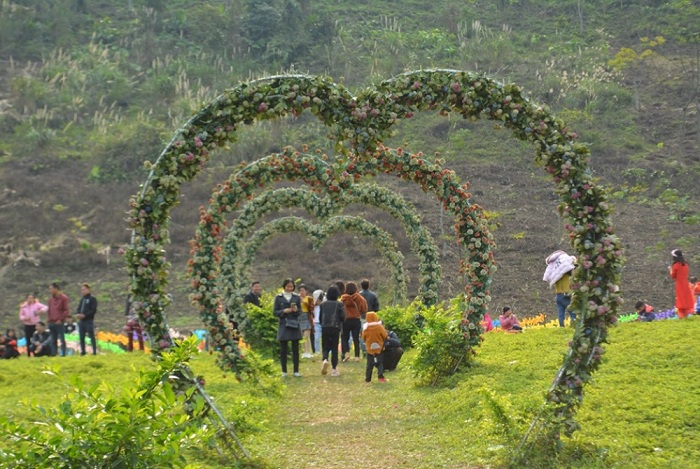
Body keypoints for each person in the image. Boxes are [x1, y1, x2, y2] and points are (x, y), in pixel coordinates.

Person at [273, 278, 303, 377]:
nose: (290, 288)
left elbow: (300, 312)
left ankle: (296, 371)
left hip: (294, 324)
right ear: (284, 286)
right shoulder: (279, 297)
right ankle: (284, 371)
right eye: (288, 286)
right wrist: (283, 311)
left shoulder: (296, 297)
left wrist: (295, 310)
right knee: (283, 350)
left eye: (291, 286)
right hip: (283, 324)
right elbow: (275, 312)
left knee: (295, 349)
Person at [543, 250, 577, 327]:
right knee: (572, 312)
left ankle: (561, 327)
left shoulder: (556, 275)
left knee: (561, 313)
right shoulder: (567, 274)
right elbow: (574, 273)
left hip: (558, 295)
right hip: (566, 294)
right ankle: (574, 325)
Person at [319, 285, 345, 377]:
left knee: (325, 346)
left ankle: (325, 359)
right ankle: (334, 369)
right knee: (334, 348)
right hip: (335, 327)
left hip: (325, 327)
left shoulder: (323, 304)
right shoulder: (340, 304)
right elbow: (342, 317)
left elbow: (320, 317)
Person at [340, 281, 367, 362]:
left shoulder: (343, 298)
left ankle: (347, 354)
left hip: (346, 320)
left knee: (345, 338)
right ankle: (357, 356)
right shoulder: (359, 298)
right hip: (356, 319)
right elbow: (364, 308)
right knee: (356, 338)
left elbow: (340, 310)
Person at [362, 311, 388, 383]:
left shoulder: (366, 328)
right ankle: (380, 377)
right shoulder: (379, 327)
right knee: (380, 363)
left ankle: (368, 379)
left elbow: (363, 337)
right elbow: (385, 335)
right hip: (379, 348)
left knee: (369, 365)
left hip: (369, 349)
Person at [669, 249, 694, 318]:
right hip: (686, 283)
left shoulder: (676, 265)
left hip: (679, 284)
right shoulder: (685, 264)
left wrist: (670, 269)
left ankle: (681, 315)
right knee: (686, 298)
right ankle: (687, 313)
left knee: (680, 298)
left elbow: (673, 276)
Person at [47, 283, 69, 357]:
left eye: (51, 289)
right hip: (51, 322)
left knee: (62, 339)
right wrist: (49, 319)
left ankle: (63, 354)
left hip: (59, 322)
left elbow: (66, 310)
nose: (50, 291)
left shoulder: (63, 298)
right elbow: (49, 310)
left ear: (56, 289)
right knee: (53, 339)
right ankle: (54, 354)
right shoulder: (50, 300)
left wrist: (61, 319)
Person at [76, 283, 98, 355]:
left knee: (91, 335)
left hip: (88, 320)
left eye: (84, 289)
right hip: (81, 321)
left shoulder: (92, 299)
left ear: (88, 289)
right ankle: (83, 351)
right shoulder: (82, 299)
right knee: (81, 336)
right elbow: (79, 308)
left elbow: (93, 310)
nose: (82, 291)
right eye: (81, 290)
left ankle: (94, 351)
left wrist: (85, 315)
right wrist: (78, 314)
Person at [298, 284, 314, 358]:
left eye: (303, 290)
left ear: (306, 291)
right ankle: (304, 352)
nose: (301, 292)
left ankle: (308, 351)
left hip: (307, 317)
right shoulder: (297, 298)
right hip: (299, 317)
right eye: (300, 291)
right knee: (301, 336)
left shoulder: (309, 298)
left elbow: (312, 308)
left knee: (306, 336)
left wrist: (304, 302)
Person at [312, 289, 324, 354]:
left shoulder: (324, 305)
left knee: (326, 338)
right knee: (316, 338)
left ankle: (327, 350)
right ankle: (317, 351)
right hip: (316, 323)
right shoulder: (313, 306)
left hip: (324, 323)